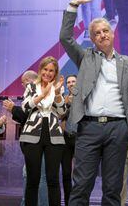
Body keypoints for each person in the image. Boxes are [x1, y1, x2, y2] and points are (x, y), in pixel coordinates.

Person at [59, 0, 128, 205]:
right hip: (88, 128)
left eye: (105, 30)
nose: (102, 35)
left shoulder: (127, 62)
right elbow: (65, 38)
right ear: (93, 38)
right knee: (81, 187)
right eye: (97, 33)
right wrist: (73, 6)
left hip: (118, 129)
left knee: (113, 188)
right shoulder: (85, 57)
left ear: (112, 33)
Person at [19, 56, 66, 206]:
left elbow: (62, 112)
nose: (48, 73)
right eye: (45, 69)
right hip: (32, 134)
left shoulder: (58, 88)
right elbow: (25, 107)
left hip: (54, 135)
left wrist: (57, 94)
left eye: (52, 70)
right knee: (33, 179)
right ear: (40, 70)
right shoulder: (31, 87)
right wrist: (42, 95)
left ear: (55, 72)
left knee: (53, 179)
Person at [3, 70, 49, 206]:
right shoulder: (35, 93)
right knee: (29, 176)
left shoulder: (39, 92)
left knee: (39, 178)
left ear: (28, 82)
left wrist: (13, 109)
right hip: (32, 143)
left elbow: (30, 116)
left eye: (23, 84)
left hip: (38, 141)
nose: (23, 87)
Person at [60, 74, 77, 205]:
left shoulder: (84, 98)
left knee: (80, 174)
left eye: (73, 81)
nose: (71, 84)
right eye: (69, 82)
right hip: (66, 138)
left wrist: (75, 102)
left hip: (80, 138)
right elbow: (61, 115)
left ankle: (79, 201)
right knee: (66, 173)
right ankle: (67, 202)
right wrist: (67, 103)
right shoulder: (64, 99)